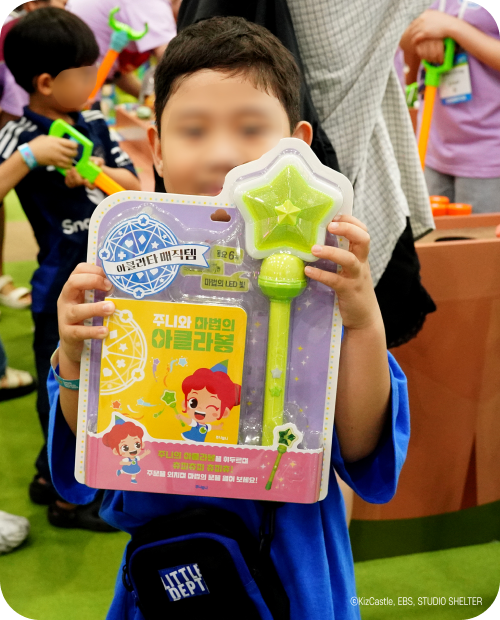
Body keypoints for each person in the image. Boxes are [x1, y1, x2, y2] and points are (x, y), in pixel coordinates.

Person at [49, 18, 410, 618]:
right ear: (156, 147)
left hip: (295, 565)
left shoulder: (323, 277)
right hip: (169, 565)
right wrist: (73, 354)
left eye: (250, 129)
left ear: (297, 145)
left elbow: (362, 445)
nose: (222, 154)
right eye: (193, 130)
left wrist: (363, 319)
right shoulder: (124, 270)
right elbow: (88, 453)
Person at [0, 7, 140, 530]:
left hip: (110, 279)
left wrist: (97, 172)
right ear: (44, 83)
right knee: (59, 387)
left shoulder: (95, 121)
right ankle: (68, 499)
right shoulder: (19, 134)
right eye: (84, 74)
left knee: (105, 384)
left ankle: (49, 477)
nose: (92, 82)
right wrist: (31, 156)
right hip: (56, 287)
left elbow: (135, 186)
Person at [402, 1, 500, 213]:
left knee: (477, 234)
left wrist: (452, 28)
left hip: (489, 152)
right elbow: (400, 37)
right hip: (432, 145)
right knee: (430, 232)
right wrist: (423, 34)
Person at [67, 0, 177, 100]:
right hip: (77, 81)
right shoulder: (153, 4)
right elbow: (170, 56)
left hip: (81, 80)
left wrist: (147, 99)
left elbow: (117, 74)